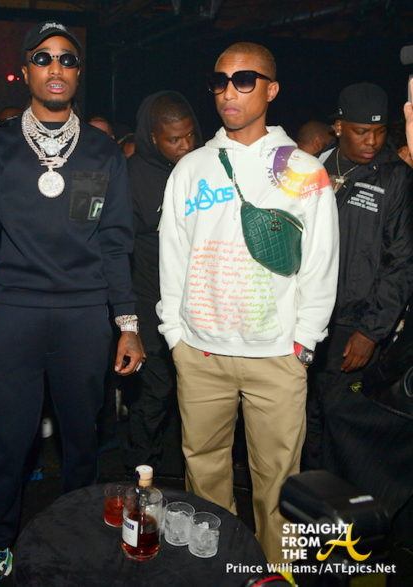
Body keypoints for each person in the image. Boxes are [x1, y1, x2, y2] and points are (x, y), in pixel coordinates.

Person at [0, 21, 144, 586]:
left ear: (78, 73)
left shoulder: (101, 151)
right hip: (15, 316)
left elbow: (114, 243)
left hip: (84, 318)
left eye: (67, 59)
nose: (56, 68)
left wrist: (127, 323)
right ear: (26, 71)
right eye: (43, 58)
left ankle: (80, 538)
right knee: (9, 441)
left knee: (82, 441)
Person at [157, 42, 339, 564]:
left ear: (271, 89)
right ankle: (217, 569)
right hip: (201, 353)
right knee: (204, 474)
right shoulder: (191, 167)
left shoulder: (302, 168)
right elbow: (173, 254)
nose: (229, 92)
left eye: (244, 80)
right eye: (220, 81)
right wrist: (175, 334)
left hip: (277, 355)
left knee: (279, 485)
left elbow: (321, 260)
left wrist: (304, 341)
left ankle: (275, 573)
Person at [304, 82, 413, 469]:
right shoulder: (313, 168)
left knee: (343, 424)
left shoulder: (395, 177)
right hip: (307, 320)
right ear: (338, 127)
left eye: (380, 131)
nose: (372, 141)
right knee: (304, 419)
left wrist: (371, 331)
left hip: (355, 325)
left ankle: (340, 499)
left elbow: (401, 262)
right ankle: (306, 494)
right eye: (361, 131)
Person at [124, 91, 202, 474]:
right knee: (154, 396)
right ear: (153, 137)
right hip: (149, 302)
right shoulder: (131, 177)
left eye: (190, 135)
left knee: (199, 397)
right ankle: (143, 475)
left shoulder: (203, 168)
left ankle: (189, 475)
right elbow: (117, 251)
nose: (185, 145)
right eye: (174, 139)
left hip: (198, 304)